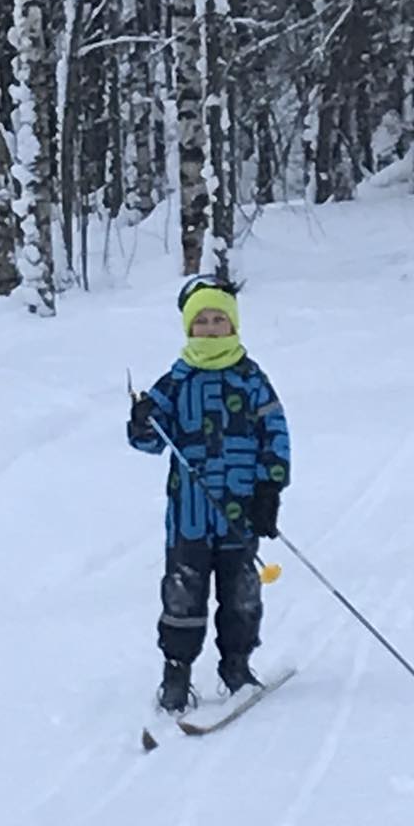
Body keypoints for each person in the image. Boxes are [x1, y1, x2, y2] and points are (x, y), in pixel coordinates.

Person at [128, 277, 291, 713]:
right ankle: (176, 671)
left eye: (219, 318)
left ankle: (236, 665)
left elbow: (275, 433)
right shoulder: (176, 381)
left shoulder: (251, 378)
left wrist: (269, 488)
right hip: (190, 516)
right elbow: (149, 442)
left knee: (241, 594)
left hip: (240, 511)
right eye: (202, 320)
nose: (212, 326)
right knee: (184, 594)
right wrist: (142, 421)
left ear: (233, 325)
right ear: (189, 327)